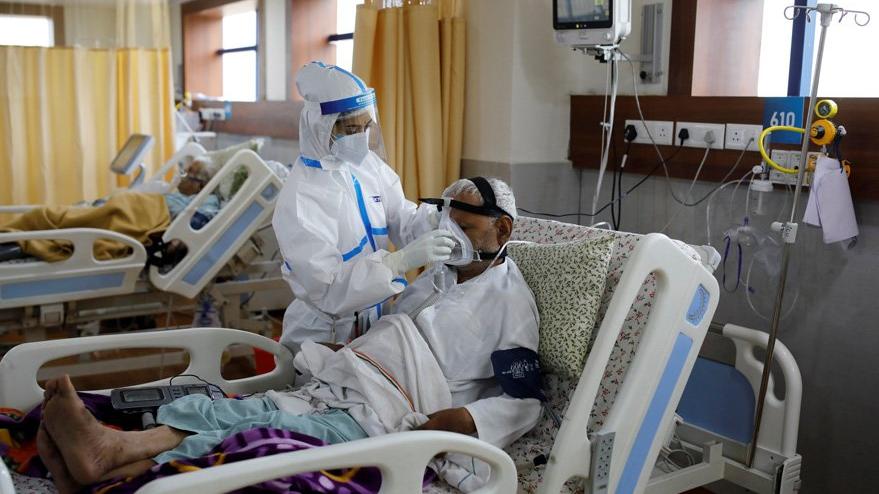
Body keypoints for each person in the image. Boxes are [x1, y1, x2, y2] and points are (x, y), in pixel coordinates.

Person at [38, 177, 540, 493]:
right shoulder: (437, 277)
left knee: (263, 437)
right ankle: (115, 449)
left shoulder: (509, 302)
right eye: (446, 224)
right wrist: (355, 352)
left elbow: (523, 402)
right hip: (350, 386)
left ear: (502, 230)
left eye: (465, 228)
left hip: (388, 419)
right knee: (234, 411)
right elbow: (400, 333)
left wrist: (456, 421)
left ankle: (117, 475)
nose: (451, 237)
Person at [272, 61, 455, 352]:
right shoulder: (301, 198)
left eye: (366, 126)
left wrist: (437, 219)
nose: (361, 138)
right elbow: (328, 290)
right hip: (325, 332)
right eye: (351, 128)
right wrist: (398, 263)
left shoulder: (367, 166)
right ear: (322, 126)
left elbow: (403, 220)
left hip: (376, 317)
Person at [0, 159, 220, 263]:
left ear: (201, 184)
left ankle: (16, 241)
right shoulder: (169, 191)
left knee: (47, 219)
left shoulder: (206, 200)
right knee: (47, 215)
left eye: (188, 174)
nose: (181, 176)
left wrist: (178, 241)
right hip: (120, 209)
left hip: (140, 217)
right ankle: (13, 238)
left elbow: (201, 222)